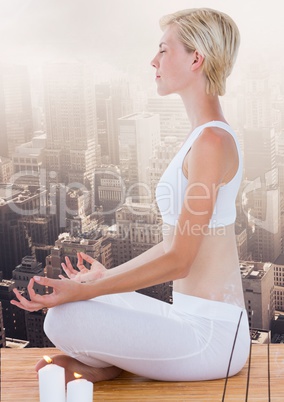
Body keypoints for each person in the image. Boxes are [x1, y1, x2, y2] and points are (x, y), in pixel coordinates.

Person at [11, 8, 250, 384]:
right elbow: (175, 244)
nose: (153, 60)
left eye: (163, 50)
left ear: (196, 59)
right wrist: (103, 278)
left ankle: (115, 364)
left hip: (213, 338)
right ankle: (119, 361)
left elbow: (179, 261)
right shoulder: (202, 137)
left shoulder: (212, 142)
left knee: (63, 315)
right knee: (86, 298)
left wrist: (78, 290)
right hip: (188, 318)